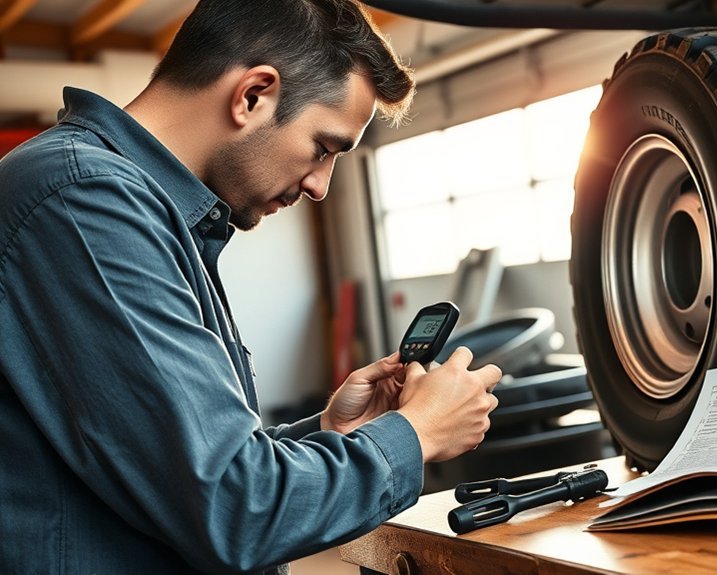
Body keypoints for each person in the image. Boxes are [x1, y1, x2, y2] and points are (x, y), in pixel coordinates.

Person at [0, 1, 501, 573]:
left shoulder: (144, 210)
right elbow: (236, 507)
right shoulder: (82, 201)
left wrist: (330, 434)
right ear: (253, 95)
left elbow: (184, 471)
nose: (319, 186)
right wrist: (416, 433)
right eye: (323, 148)